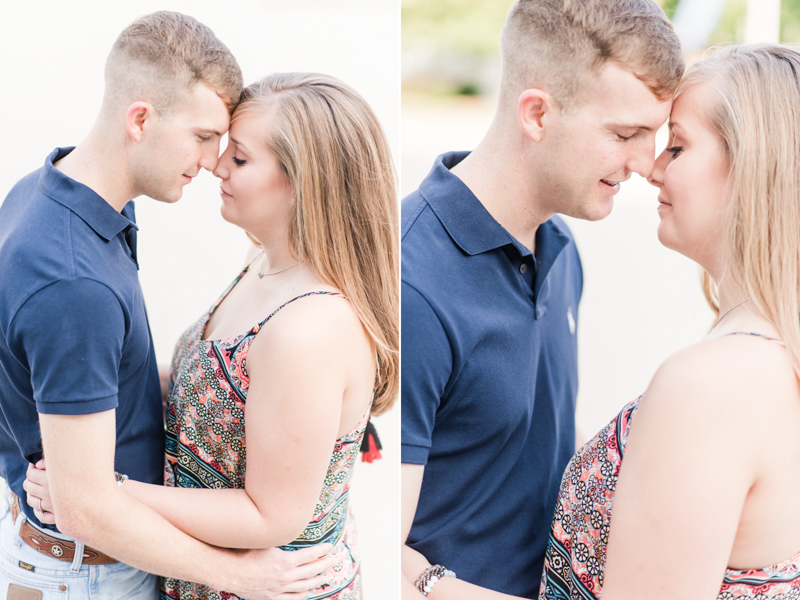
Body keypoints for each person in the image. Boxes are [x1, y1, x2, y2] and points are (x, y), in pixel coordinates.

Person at [0, 12, 337, 599]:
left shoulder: (50, 191)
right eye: (205, 137)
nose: (212, 162)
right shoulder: (76, 281)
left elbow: (91, 371)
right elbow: (85, 509)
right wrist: (242, 576)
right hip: (92, 572)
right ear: (141, 120)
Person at [401, 0, 683, 598]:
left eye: (655, 136)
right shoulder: (410, 282)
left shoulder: (560, 244)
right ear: (537, 114)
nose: (645, 163)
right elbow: (378, 540)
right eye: (626, 134)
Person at [537, 42, 800, 600]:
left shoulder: (714, 384)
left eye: (676, 147)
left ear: (755, 164)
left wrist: (425, 581)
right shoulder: (772, 360)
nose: (651, 170)